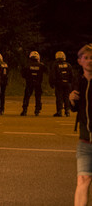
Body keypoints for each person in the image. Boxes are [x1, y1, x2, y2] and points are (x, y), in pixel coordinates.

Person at [70, 44, 92, 205]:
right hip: (85, 140)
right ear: (80, 61)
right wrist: (71, 100)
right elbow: (76, 109)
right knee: (83, 179)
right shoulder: (79, 81)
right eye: (86, 58)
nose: (90, 60)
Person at [20, 51, 46, 116]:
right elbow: (46, 71)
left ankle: (25, 110)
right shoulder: (41, 65)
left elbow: (23, 74)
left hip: (29, 83)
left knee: (27, 97)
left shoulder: (27, 65)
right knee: (38, 97)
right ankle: (37, 110)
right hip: (38, 83)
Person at [50, 51, 73, 117]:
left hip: (59, 83)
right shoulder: (68, 65)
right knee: (66, 97)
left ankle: (59, 111)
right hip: (67, 83)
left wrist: (52, 83)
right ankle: (67, 111)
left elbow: (53, 75)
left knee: (59, 97)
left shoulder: (55, 65)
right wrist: (71, 83)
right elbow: (72, 75)